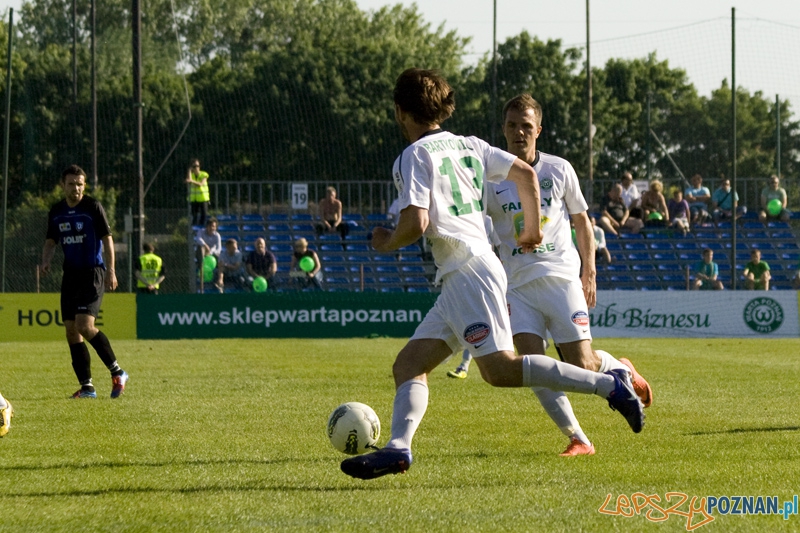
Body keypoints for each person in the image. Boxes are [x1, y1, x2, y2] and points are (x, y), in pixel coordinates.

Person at [340, 69, 643, 480]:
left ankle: (609, 386)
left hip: (469, 271)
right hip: (469, 273)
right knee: (409, 364)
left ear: (400, 111)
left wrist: (385, 242)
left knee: (500, 370)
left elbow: (416, 221)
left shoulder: (413, 156)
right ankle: (398, 449)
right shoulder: (471, 145)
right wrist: (532, 227)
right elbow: (526, 174)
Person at [41, 164, 129, 399]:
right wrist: (45, 261)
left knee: (84, 325)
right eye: (71, 184)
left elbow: (107, 240)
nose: (76, 188)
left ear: (84, 185)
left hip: (93, 273)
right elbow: (51, 241)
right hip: (70, 274)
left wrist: (111, 270)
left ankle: (118, 372)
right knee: (71, 331)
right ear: (63, 185)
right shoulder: (57, 211)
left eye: (80, 184)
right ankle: (87, 387)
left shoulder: (92, 207)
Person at [185, 159, 210, 227]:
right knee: (194, 216)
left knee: (204, 215)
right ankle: (195, 230)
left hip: (203, 198)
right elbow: (188, 180)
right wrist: (189, 171)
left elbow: (201, 184)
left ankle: (202, 228)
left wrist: (191, 181)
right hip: (194, 199)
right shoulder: (191, 175)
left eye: (198, 166)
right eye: (194, 166)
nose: (196, 168)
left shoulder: (204, 174)